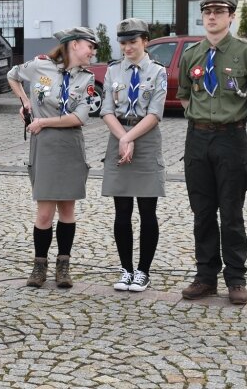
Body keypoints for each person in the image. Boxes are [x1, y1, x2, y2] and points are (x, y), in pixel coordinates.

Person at [177, 0, 247, 305]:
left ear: (230, 16)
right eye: (207, 11)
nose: (212, 16)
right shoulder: (192, 54)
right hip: (198, 138)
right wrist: (201, 118)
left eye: (219, 11)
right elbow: (186, 95)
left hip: (232, 138)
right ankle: (205, 277)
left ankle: (236, 279)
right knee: (202, 213)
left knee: (231, 213)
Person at [7, 27, 97, 289]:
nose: (92, 51)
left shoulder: (87, 79)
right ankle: (39, 266)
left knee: (67, 209)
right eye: (89, 46)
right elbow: (12, 76)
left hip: (70, 144)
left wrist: (42, 121)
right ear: (73, 45)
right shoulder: (39, 67)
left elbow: (79, 117)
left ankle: (63, 265)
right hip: (44, 145)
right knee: (45, 213)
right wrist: (25, 102)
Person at [100, 19, 167, 292]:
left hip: (145, 139)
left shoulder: (157, 71)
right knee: (122, 210)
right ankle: (126, 269)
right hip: (118, 136)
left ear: (145, 41)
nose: (127, 47)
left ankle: (143, 271)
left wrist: (129, 137)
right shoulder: (113, 71)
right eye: (123, 42)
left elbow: (155, 113)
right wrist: (122, 137)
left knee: (147, 210)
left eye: (133, 42)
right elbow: (106, 110)